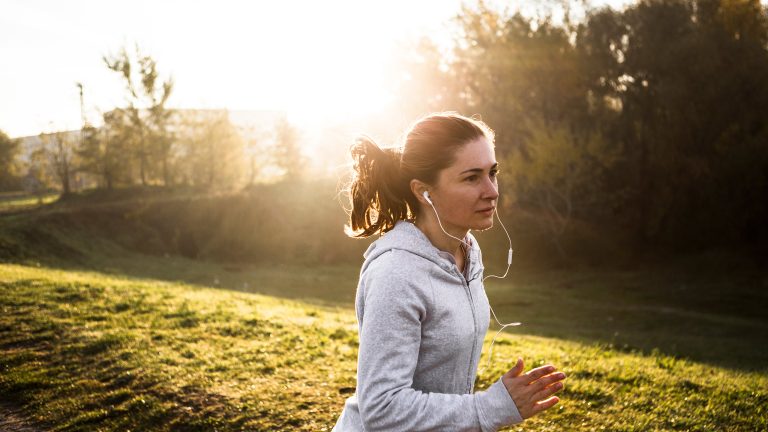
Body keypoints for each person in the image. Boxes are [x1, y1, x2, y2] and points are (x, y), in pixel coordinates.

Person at [333, 112, 566, 431]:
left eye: (492, 173)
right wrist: (491, 407)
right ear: (422, 191)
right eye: (471, 178)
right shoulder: (396, 273)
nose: (492, 190)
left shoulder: (467, 249)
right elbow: (382, 408)